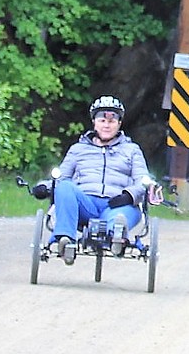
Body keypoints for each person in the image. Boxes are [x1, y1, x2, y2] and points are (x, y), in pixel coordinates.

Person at [49, 95, 150, 265]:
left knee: (119, 218)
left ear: (119, 124)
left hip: (118, 203)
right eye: (102, 120)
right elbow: (60, 179)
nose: (106, 125)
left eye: (112, 121)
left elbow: (143, 181)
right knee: (65, 186)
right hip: (86, 203)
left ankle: (116, 236)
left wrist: (128, 195)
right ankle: (66, 240)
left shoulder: (132, 150)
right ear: (94, 122)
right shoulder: (78, 149)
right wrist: (44, 187)